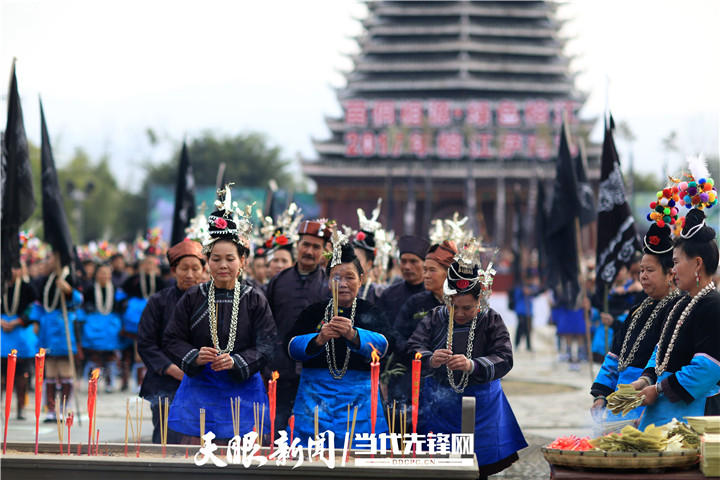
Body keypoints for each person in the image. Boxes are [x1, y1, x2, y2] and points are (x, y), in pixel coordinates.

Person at [163, 188, 277, 443]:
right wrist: (195, 355)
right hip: (200, 386)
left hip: (243, 389)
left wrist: (237, 361)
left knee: (241, 458)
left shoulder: (254, 298)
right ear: (208, 262)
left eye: (230, 258)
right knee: (197, 457)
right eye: (216, 259)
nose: (223, 265)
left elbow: (268, 343)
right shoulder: (193, 297)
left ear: (243, 262)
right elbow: (171, 338)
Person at [407, 242, 527, 480]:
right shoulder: (434, 317)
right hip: (439, 404)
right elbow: (412, 348)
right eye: (454, 307)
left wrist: (472, 365)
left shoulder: (491, 319)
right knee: (439, 466)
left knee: (478, 467)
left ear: (480, 299)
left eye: (467, 308)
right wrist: (431, 358)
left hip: (481, 404)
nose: (460, 313)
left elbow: (505, 358)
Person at [285, 233, 393, 447]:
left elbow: (386, 345)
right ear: (327, 281)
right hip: (313, 401)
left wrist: (354, 335)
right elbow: (290, 347)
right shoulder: (314, 311)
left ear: (361, 280)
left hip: (360, 401)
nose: (343, 283)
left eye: (350, 277)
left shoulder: (369, 311)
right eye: (336, 277)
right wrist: (319, 338)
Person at [632, 206, 720, 429]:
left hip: (692, 415)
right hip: (663, 411)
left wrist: (659, 389)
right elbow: (662, 351)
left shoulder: (713, 305)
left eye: (676, 262)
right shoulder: (680, 303)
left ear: (697, 263)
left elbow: (707, 369)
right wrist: (647, 379)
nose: (672, 270)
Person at [590, 221, 681, 425]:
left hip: (649, 405)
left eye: (650, 270)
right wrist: (601, 395)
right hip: (620, 403)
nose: (643, 276)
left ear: (670, 273)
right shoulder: (637, 310)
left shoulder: (677, 309)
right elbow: (614, 357)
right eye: (641, 270)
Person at [264, 218, 333, 435]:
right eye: (305, 244)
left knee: (311, 430)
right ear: (297, 246)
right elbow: (266, 326)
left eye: (316, 247)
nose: (309, 251)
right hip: (279, 370)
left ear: (324, 252)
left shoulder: (329, 285)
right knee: (278, 429)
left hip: (315, 372)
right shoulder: (278, 281)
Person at [138, 239, 205, 445]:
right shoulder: (158, 301)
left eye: (196, 268)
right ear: (174, 270)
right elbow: (146, 342)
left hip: (203, 383)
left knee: (201, 439)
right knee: (167, 439)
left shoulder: (212, 301)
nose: (190, 274)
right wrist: (171, 368)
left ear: (204, 270)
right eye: (184, 268)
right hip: (164, 383)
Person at [389, 240, 457, 408]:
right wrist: (422, 355)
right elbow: (397, 336)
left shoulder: (462, 306)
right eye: (425, 270)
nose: (425, 275)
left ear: (449, 273)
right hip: (416, 374)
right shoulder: (415, 302)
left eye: (432, 270)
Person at [29, 251, 83, 422]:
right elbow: (38, 305)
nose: (47, 260)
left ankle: (64, 407)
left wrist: (68, 291)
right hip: (47, 329)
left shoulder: (70, 277)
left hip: (64, 327)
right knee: (50, 371)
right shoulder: (44, 280)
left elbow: (78, 300)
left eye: (50, 257)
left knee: (65, 370)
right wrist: (36, 322)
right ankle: (51, 408)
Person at [77, 262, 128, 392]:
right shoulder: (89, 289)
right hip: (94, 326)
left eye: (106, 273)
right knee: (95, 355)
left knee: (110, 355)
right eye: (101, 273)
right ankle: (94, 381)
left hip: (111, 327)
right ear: (96, 275)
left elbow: (121, 308)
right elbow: (82, 307)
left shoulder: (117, 290)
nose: (104, 275)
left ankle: (109, 382)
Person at [120, 253, 166, 391]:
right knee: (138, 349)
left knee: (154, 348)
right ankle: (139, 382)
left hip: (155, 320)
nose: (148, 266)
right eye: (146, 263)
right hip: (136, 321)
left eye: (151, 263)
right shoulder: (133, 279)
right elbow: (122, 293)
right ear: (142, 265)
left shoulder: (159, 281)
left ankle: (151, 379)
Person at [1, 265, 38, 420]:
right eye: (11, 268)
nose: (13, 271)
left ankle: (20, 407)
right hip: (2, 333)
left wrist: (17, 321)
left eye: (17, 268)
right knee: (1, 374)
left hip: (21, 334)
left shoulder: (28, 288)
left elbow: (34, 308)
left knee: (20, 375)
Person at [376, 235, 430, 323]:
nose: (407, 267)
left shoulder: (433, 295)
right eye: (403, 261)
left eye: (413, 261)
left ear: (424, 264)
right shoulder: (389, 294)